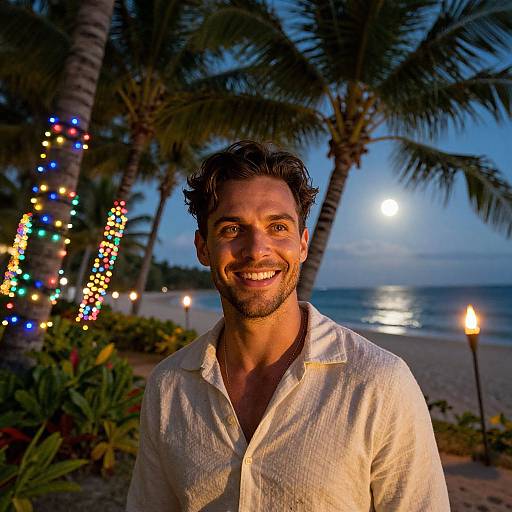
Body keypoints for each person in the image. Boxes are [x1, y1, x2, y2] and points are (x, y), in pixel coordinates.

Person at [126, 141, 450, 511]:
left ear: (303, 244)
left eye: (277, 226)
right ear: (203, 248)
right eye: (232, 229)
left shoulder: (379, 383)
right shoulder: (169, 387)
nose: (256, 249)